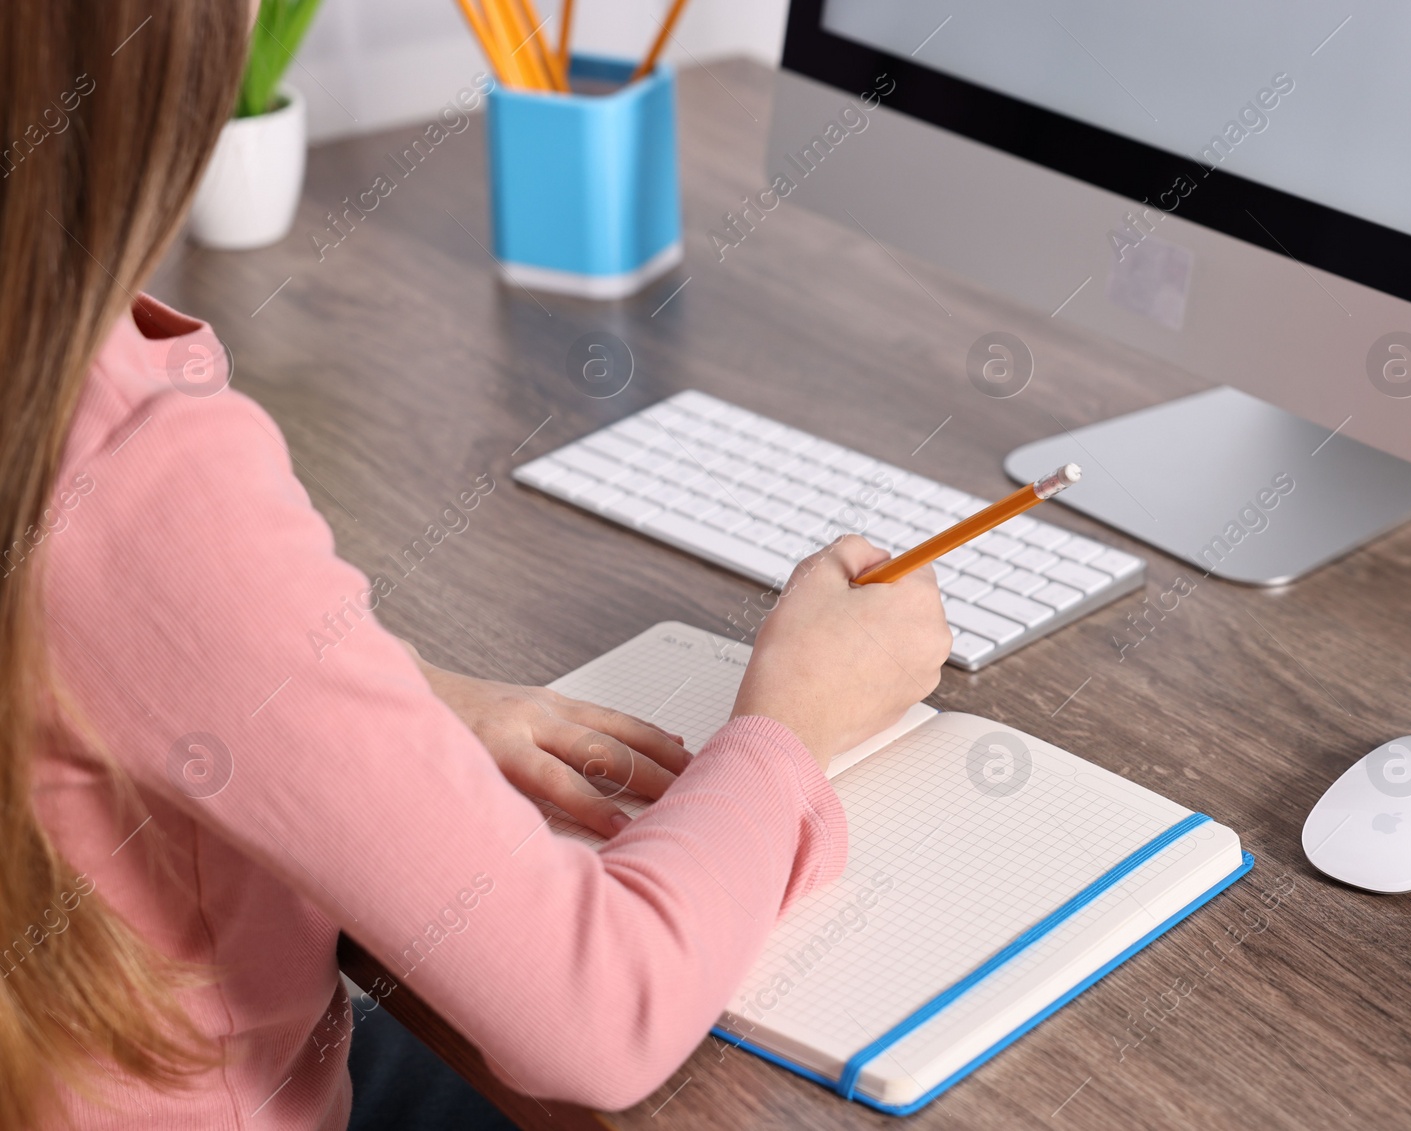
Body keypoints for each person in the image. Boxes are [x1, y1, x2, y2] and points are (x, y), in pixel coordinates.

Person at [0, 4, 951, 1128]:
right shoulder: (134, 473)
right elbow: (597, 1011)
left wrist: (379, 696)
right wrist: (793, 719)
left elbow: (109, 657)